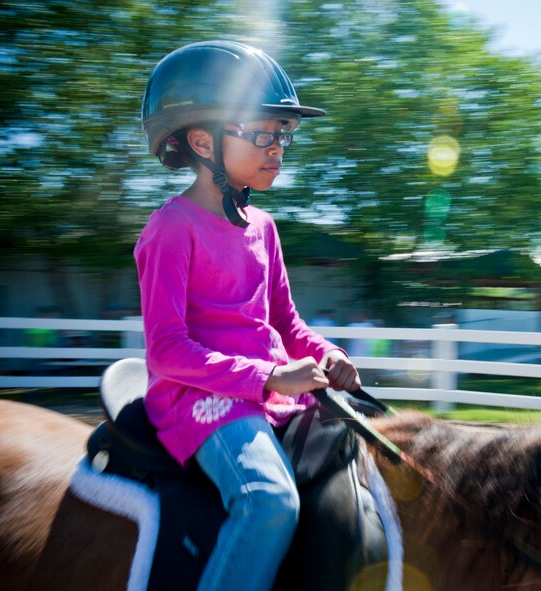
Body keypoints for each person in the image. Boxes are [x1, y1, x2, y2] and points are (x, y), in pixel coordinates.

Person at [136, 40, 361, 591]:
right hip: (201, 401)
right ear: (200, 139)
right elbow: (165, 350)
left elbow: (285, 325)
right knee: (269, 500)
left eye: (285, 135)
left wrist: (327, 355)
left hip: (270, 389)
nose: (278, 149)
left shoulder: (264, 227)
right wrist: (267, 376)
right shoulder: (171, 229)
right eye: (264, 134)